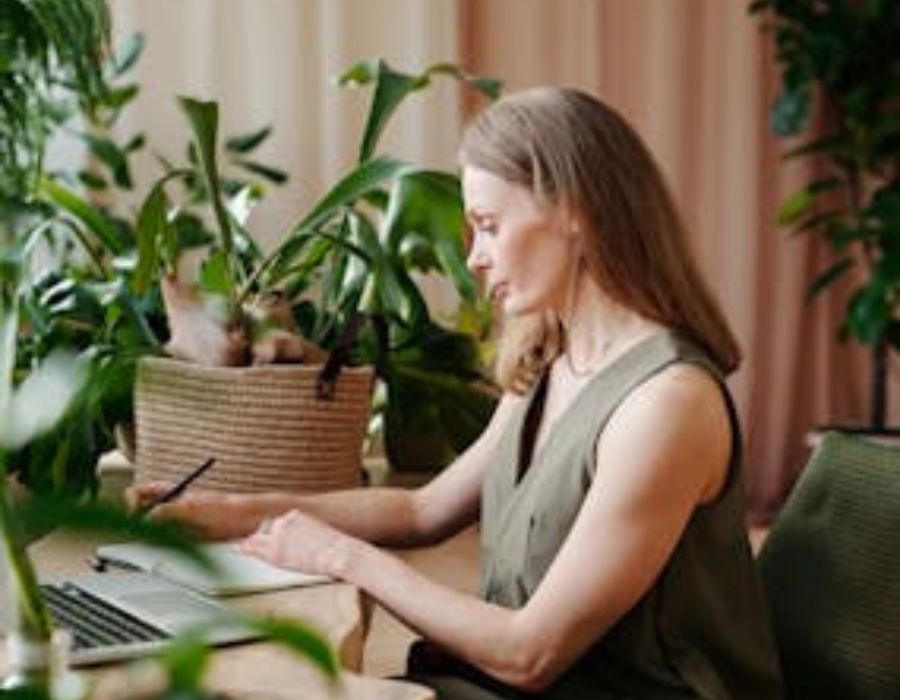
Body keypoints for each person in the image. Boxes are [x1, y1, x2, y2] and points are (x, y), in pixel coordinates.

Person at [130, 87, 783, 700]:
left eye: (489, 225)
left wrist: (339, 556)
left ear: (574, 210)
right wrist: (229, 512)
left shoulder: (666, 405)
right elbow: (423, 512)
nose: (474, 257)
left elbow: (531, 654)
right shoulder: (554, 354)